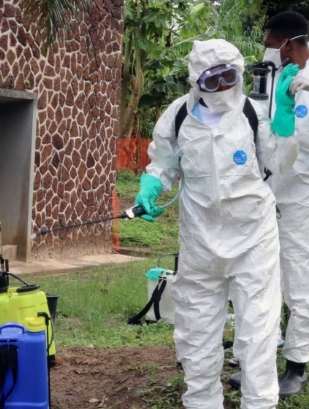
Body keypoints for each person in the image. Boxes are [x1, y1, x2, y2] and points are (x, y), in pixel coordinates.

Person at [135, 39, 299, 408]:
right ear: (197, 81)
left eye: (230, 77)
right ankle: (203, 402)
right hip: (200, 244)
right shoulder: (178, 117)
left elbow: (281, 163)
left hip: (253, 238)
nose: (223, 87)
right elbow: (162, 164)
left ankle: (259, 403)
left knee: (258, 330)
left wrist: (286, 126)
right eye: (213, 80)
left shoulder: (254, 113)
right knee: (196, 331)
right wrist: (150, 187)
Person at [229, 11, 309, 399]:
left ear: (290, 45)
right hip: (268, 196)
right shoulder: (274, 77)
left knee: (297, 281)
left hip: (299, 200)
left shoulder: (305, 83)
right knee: (259, 282)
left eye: (272, 43)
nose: (268, 51)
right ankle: (258, 362)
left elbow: (298, 147)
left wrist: (284, 118)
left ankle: (297, 364)